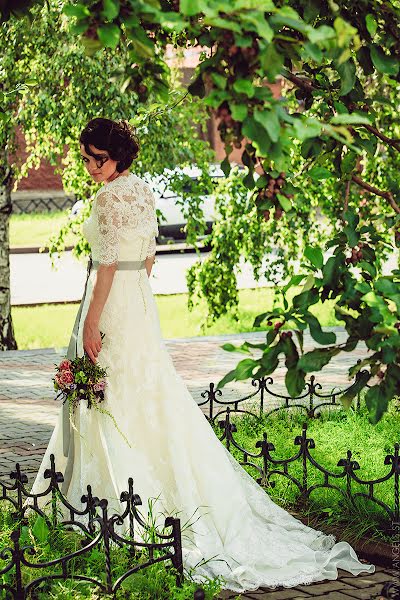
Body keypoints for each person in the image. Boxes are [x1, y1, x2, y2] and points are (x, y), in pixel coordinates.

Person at [30, 117, 375, 593]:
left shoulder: (110, 195)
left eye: (98, 159)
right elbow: (149, 259)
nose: (91, 167)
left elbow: (106, 264)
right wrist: (131, 300)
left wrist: (92, 319)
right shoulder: (143, 190)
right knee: (144, 390)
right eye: (86, 157)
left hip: (111, 302)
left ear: (118, 157)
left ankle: (104, 497)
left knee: (110, 389)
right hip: (138, 302)